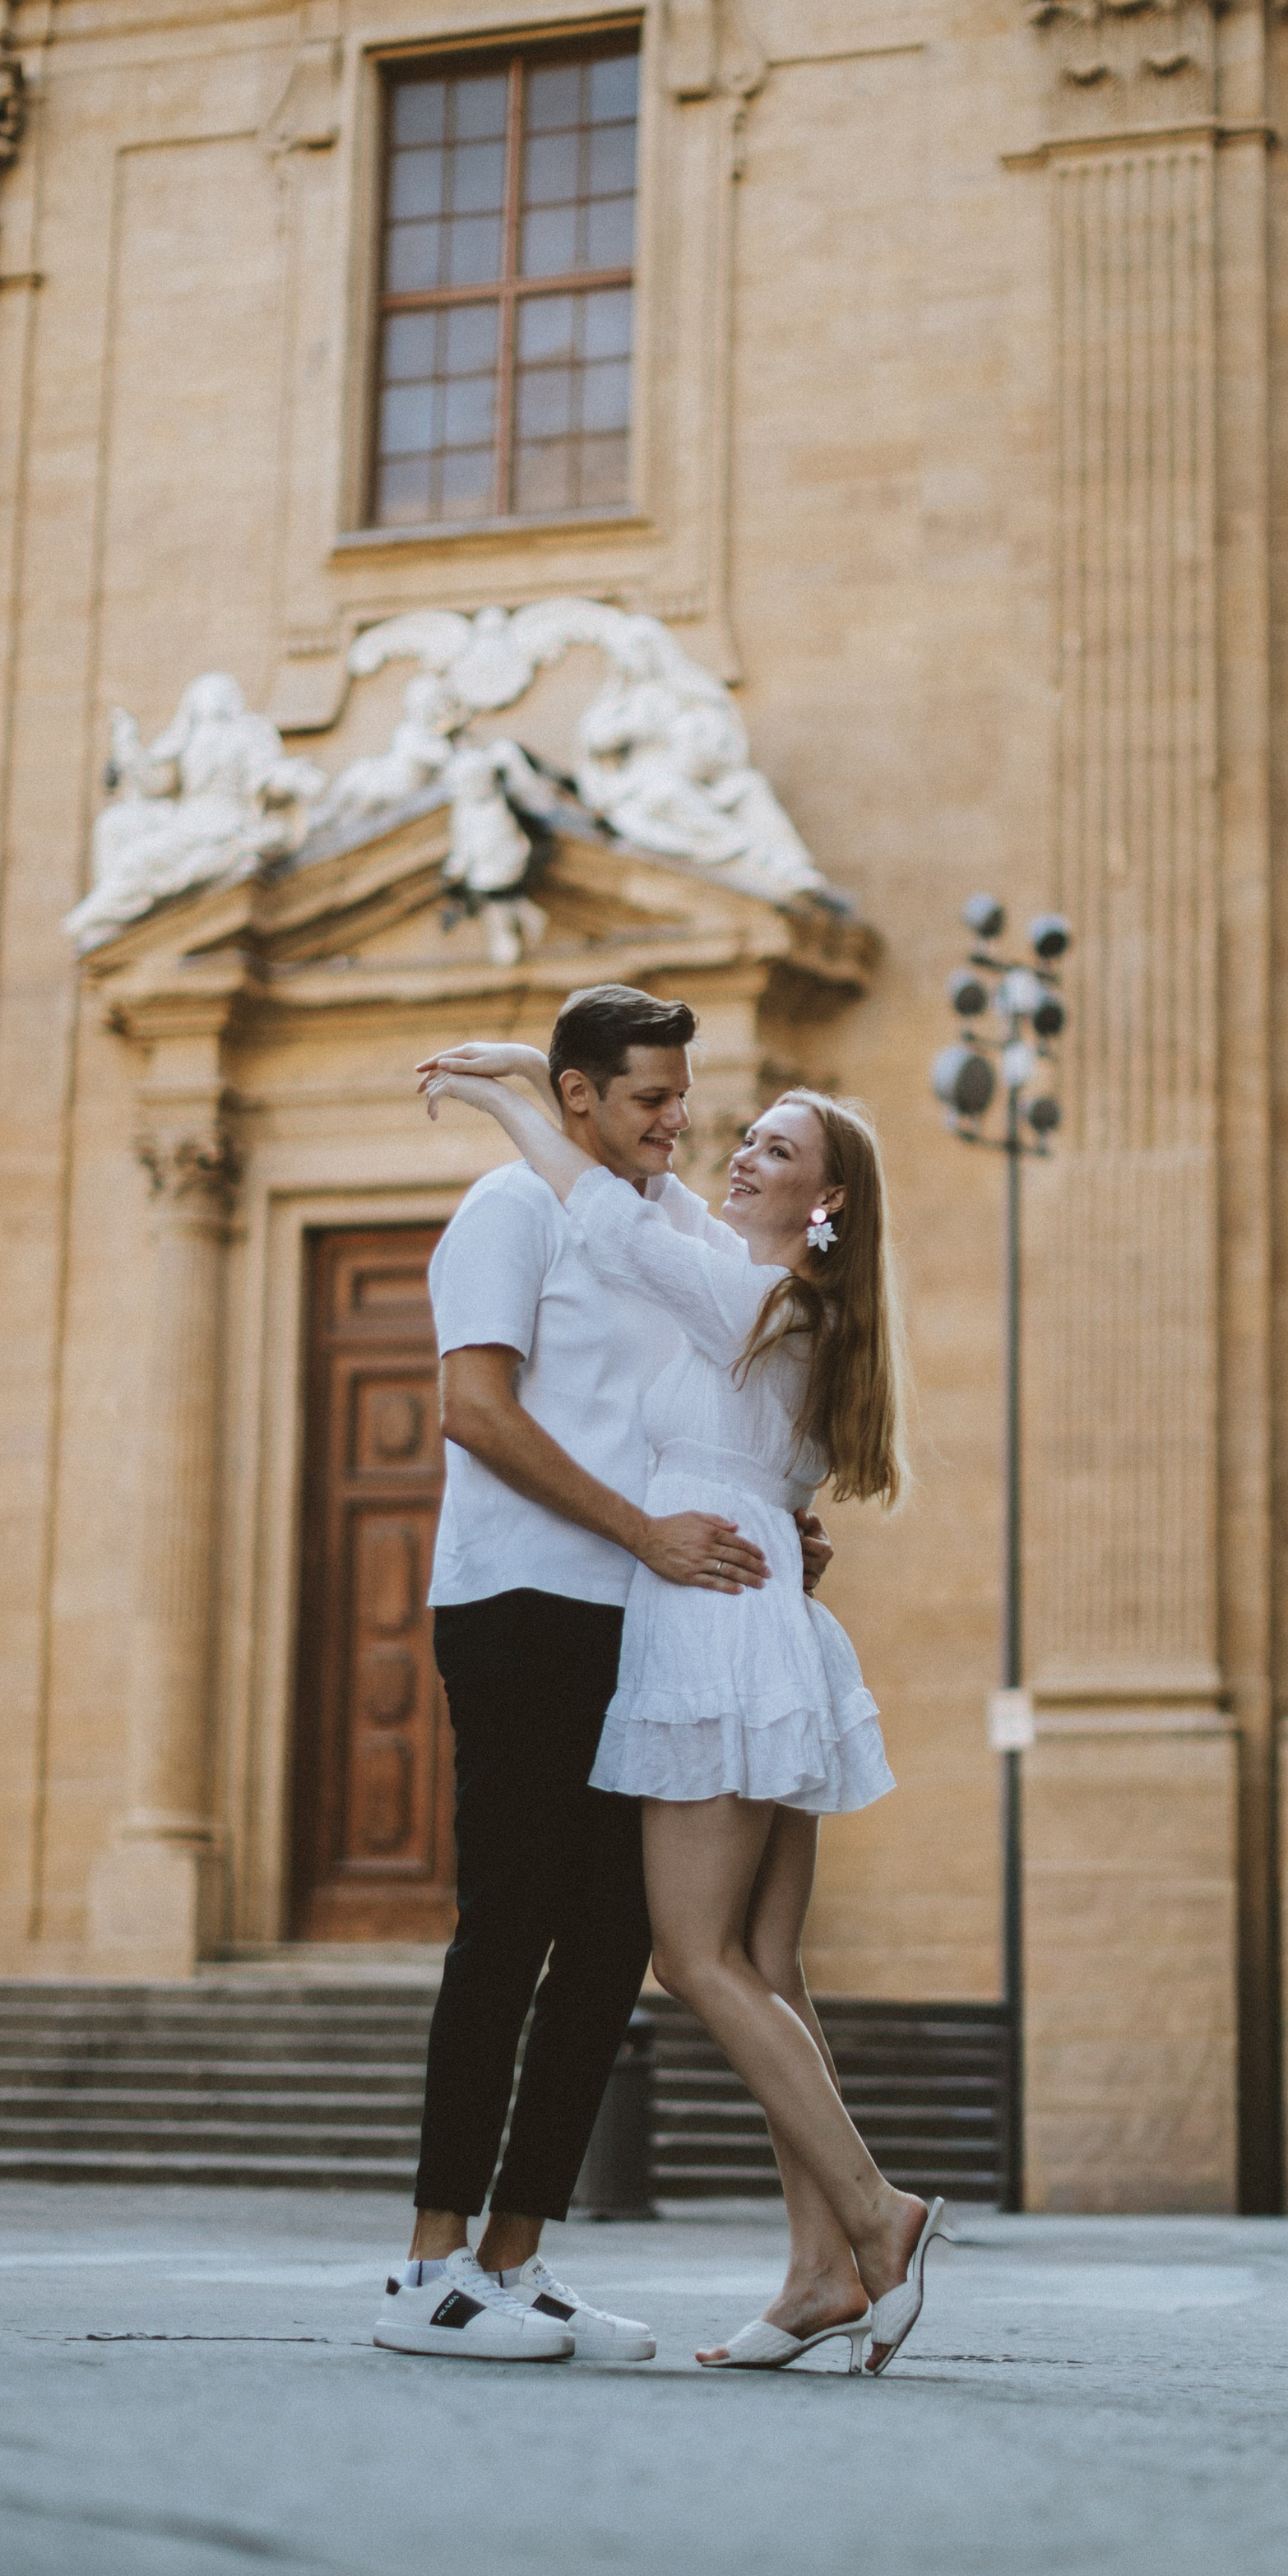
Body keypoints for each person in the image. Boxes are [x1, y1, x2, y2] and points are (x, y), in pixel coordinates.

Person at [417, 1050, 948, 2376]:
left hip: (712, 1635)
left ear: (826, 1203)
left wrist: (519, 1108)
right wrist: (547, 1078)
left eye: (776, 1148)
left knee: (696, 1960)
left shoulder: (761, 1292)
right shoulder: (784, 1295)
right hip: (765, 1623)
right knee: (768, 1967)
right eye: (747, 1136)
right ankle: (820, 2270)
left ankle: (879, 2218)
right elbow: (657, 1228)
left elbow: (607, 1217)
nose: (737, 1151)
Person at [374, 985, 832, 2365]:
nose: (678, 1124)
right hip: (518, 1603)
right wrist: (645, 1529)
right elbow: (473, 1412)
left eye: (684, 1098)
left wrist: (757, 1520)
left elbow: (706, 1407)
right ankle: (427, 2268)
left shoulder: (659, 1225)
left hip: (640, 1618)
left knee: (612, 1950)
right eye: (648, 1099)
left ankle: (517, 2262)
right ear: (579, 1099)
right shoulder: (507, 1214)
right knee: (507, 1928)